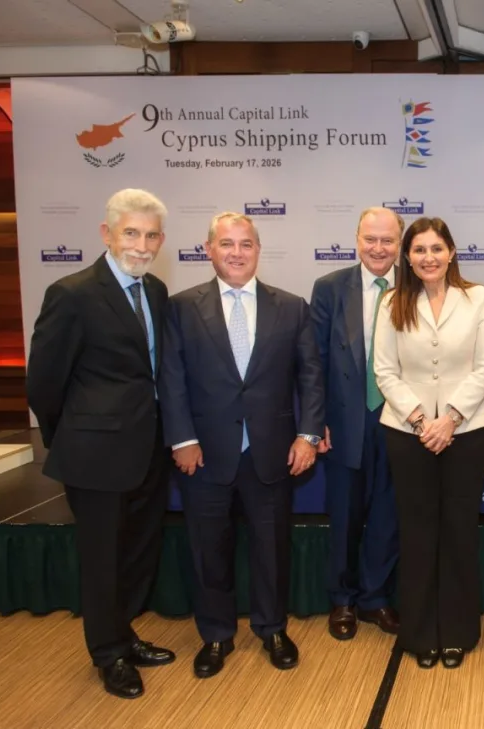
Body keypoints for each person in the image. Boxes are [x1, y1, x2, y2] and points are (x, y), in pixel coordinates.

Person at [159, 212, 324, 679]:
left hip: (272, 453)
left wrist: (308, 435)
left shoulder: (291, 307)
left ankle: (272, 629)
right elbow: (171, 379)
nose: (237, 253)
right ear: (209, 249)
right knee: (208, 549)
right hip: (204, 454)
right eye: (227, 244)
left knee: (272, 548)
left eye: (246, 244)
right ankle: (216, 634)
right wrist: (182, 439)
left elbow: (312, 377)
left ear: (258, 249)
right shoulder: (181, 308)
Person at [26, 189, 174, 699]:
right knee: (102, 560)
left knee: (135, 554)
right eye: (131, 233)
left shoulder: (155, 290)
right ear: (106, 233)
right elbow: (44, 383)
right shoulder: (71, 293)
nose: (141, 245)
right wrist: (68, 440)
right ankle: (108, 654)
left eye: (151, 235)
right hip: (93, 457)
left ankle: (124, 634)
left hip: (148, 449)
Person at [373, 217, 484, 669]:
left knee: (459, 531)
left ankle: (458, 632)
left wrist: (449, 419)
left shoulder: (478, 297)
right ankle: (421, 632)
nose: (428, 257)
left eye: (436, 248)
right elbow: (385, 370)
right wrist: (421, 420)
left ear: (451, 252)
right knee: (418, 532)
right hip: (407, 433)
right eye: (419, 250)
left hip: (466, 432)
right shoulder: (392, 301)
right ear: (407, 257)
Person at [310, 207, 404, 641]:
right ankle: (342, 599)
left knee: (389, 514)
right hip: (345, 421)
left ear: (399, 244)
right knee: (345, 515)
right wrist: (316, 421)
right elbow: (314, 361)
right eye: (371, 239)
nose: (378, 248)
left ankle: (375, 597)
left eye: (387, 240)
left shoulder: (418, 285)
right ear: (356, 239)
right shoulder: (330, 288)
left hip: (401, 420)